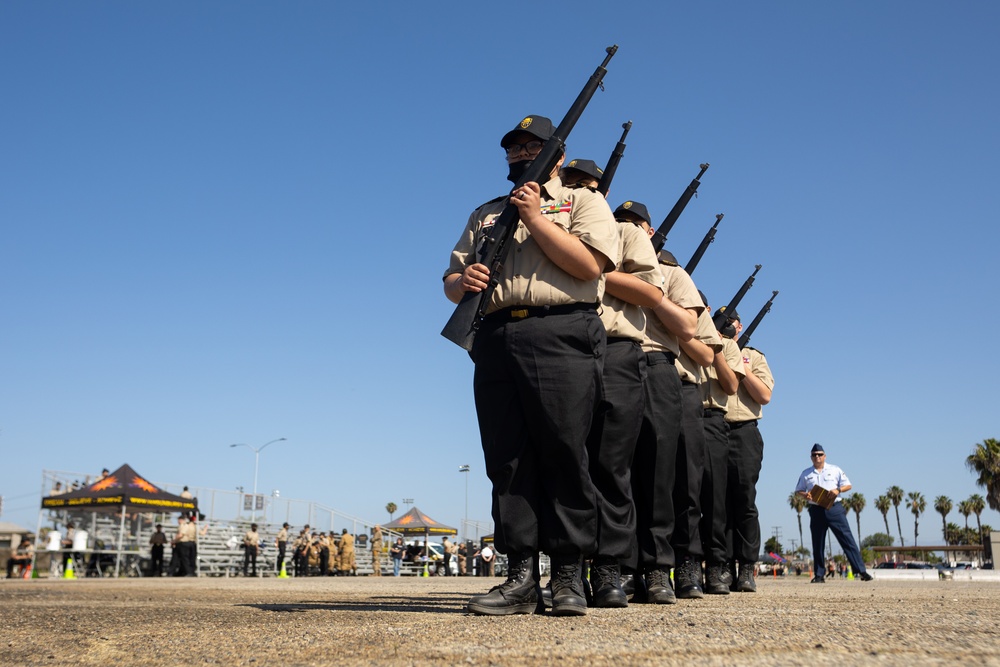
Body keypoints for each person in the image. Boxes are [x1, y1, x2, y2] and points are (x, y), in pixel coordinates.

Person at [443, 114, 619, 617]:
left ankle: (567, 574)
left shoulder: (583, 202)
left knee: (564, 450)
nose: (522, 154)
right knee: (508, 458)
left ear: (557, 156)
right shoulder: (487, 212)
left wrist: (538, 218)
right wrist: (463, 282)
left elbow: (590, 266)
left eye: (532, 146)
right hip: (496, 333)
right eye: (514, 148)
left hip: (561, 329)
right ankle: (520, 576)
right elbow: (450, 277)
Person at [567, 176, 664, 610]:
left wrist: (593, 263)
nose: (579, 190)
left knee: (611, 465)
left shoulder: (625, 234)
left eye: (588, 184)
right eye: (571, 182)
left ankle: (609, 567)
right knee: (565, 461)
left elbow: (650, 292)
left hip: (617, 348)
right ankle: (567, 569)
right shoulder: (559, 223)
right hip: (564, 345)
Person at [722, 311, 774, 593]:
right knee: (719, 503)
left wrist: (741, 369)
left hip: (744, 431)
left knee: (744, 502)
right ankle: (723, 566)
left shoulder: (753, 356)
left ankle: (746, 567)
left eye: (732, 322)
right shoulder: (712, 348)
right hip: (715, 428)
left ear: (740, 326)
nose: (729, 326)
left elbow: (765, 395)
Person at [795, 443, 873, 583]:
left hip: (834, 508)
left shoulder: (835, 469)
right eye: (814, 455)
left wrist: (838, 490)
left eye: (819, 454)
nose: (817, 457)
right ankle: (819, 574)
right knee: (817, 543)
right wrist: (804, 495)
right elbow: (798, 490)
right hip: (816, 509)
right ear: (811, 457)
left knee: (847, 539)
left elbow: (848, 485)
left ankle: (861, 571)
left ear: (825, 456)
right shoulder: (806, 474)